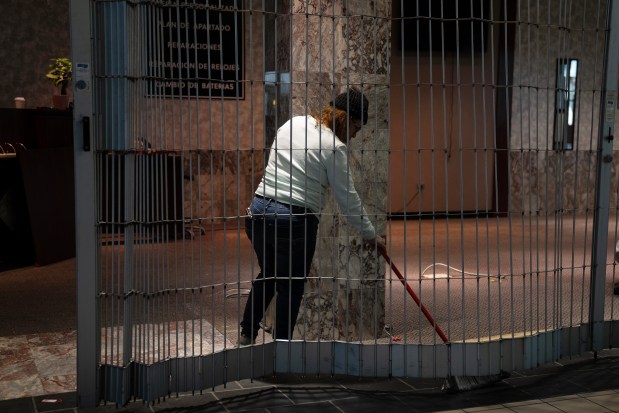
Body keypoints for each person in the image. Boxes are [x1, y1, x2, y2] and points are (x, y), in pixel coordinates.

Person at [239, 88, 387, 345]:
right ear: (348, 120)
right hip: (292, 221)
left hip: (258, 213)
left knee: (271, 273)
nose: (353, 136)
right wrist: (371, 234)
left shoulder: (293, 123)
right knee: (291, 286)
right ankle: (282, 352)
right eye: (356, 128)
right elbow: (348, 200)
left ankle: (246, 333)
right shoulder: (333, 147)